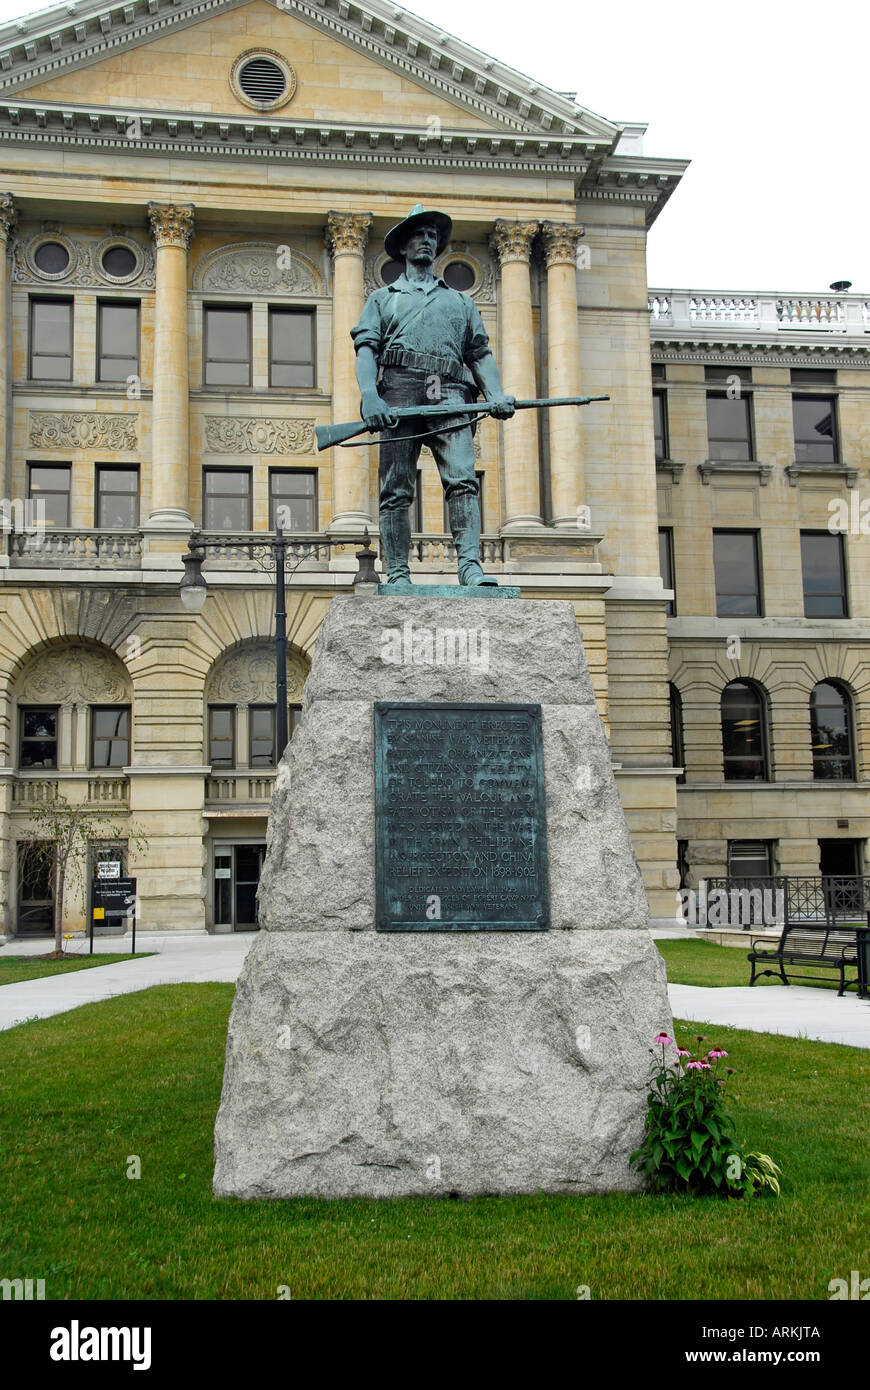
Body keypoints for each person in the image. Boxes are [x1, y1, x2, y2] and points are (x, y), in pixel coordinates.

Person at [351, 204, 515, 589]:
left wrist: (496, 394)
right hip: (399, 392)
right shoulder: (382, 299)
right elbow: (366, 351)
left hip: (452, 393)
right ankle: (398, 573)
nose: (426, 241)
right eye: (418, 234)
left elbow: (479, 354)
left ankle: (470, 567)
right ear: (403, 247)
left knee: (462, 481)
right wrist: (370, 397)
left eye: (432, 236)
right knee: (396, 489)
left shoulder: (460, 302)